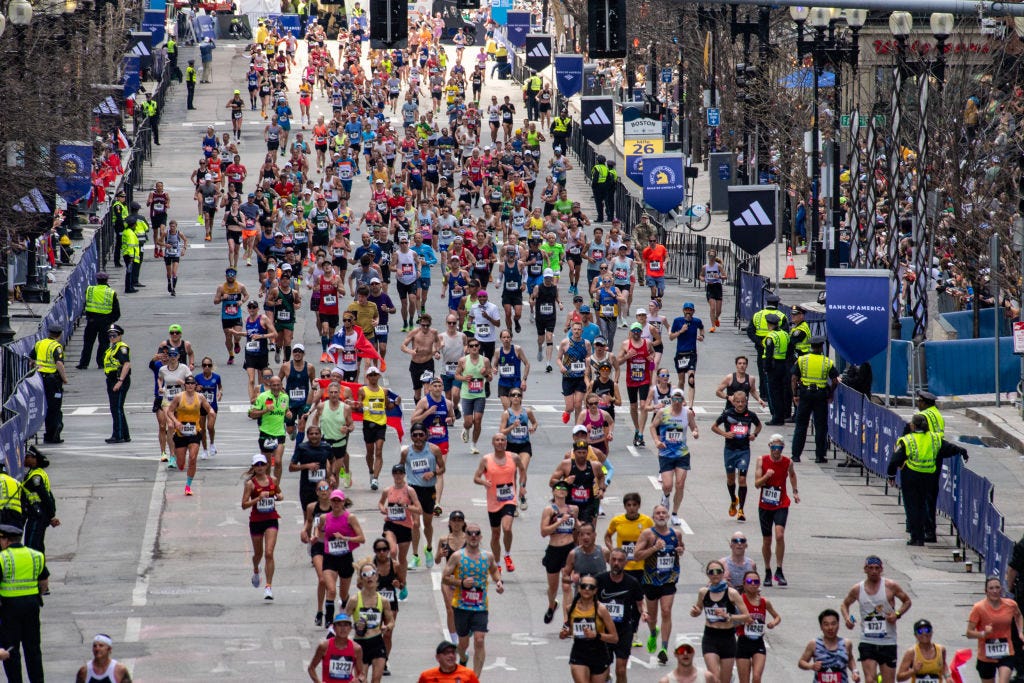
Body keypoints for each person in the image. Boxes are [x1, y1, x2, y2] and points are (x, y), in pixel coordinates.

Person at [887, 414, 967, 546]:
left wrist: (891, 475)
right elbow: (948, 448)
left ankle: (916, 537)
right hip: (928, 477)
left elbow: (896, 458)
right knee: (923, 505)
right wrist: (962, 451)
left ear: (913, 426)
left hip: (911, 476)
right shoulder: (934, 438)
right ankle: (924, 533)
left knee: (912, 507)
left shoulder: (907, 440)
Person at [441, 520, 505, 676]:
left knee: (479, 640)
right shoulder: (457, 556)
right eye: (470, 533)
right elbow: (444, 578)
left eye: (477, 533)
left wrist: (498, 582)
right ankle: (463, 658)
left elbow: (494, 570)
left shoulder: (487, 556)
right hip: (461, 606)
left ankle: (475, 678)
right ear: (466, 537)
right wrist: (461, 583)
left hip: (480, 607)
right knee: (462, 645)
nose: (473, 536)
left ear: (481, 537)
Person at [840, 555, 913, 683]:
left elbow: (907, 601)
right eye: (871, 568)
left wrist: (897, 614)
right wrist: (847, 618)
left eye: (877, 568)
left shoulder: (890, 586)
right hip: (867, 640)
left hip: (888, 641)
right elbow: (844, 604)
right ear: (865, 569)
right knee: (869, 680)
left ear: (881, 570)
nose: (874, 571)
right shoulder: (858, 589)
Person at [635, 504, 686, 665]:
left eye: (664, 513)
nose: (661, 515)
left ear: (668, 516)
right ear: (653, 517)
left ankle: (663, 648)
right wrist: (654, 548)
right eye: (658, 513)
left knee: (666, 611)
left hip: (669, 579)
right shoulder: (648, 534)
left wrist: (680, 550)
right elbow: (637, 556)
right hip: (651, 580)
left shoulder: (675, 533)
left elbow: (681, 547)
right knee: (652, 616)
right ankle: (652, 632)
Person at [0, 523, 47, 683]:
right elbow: (44, 583)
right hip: (32, 606)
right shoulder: (36, 555)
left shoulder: (2, 558)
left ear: (5, 540)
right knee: (33, 648)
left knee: (11, 649)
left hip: (9, 609)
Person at [689, 559, 749, 682]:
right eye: (711, 572)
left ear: (722, 574)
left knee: (724, 680)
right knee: (714, 677)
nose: (715, 574)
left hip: (727, 638)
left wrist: (729, 616)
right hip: (710, 637)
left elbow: (746, 616)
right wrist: (695, 612)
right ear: (707, 574)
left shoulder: (732, 593)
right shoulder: (703, 592)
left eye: (718, 571)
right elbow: (698, 609)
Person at [474, 433, 526, 572]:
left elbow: (522, 470)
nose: (500, 442)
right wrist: (484, 482)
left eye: (503, 440)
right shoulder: (486, 459)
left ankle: (507, 555)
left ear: (506, 443)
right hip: (493, 501)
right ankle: (497, 563)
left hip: (509, 498)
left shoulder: (513, 457)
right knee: (495, 534)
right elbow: (476, 477)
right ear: (493, 443)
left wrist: (522, 487)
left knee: (507, 528)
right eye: (497, 440)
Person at [595, 547, 647, 682]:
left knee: (621, 669)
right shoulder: (600, 580)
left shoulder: (632, 582)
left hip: (623, 630)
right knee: (603, 670)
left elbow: (640, 602)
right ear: (609, 561)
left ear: (625, 563)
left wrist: (644, 612)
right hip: (604, 630)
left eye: (620, 560)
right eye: (613, 559)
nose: (616, 563)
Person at [753, 434, 799, 587]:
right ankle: (767, 570)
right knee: (767, 540)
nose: (776, 450)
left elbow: (792, 475)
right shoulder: (762, 460)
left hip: (781, 503)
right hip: (765, 505)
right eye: (774, 447)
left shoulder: (788, 462)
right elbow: (757, 484)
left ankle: (779, 569)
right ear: (770, 447)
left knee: (779, 535)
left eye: (779, 448)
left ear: (782, 448)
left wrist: (795, 491)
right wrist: (767, 475)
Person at [649, 388, 698, 526]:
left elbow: (694, 427)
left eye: (679, 399)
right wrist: (657, 441)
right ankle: (665, 496)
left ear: (682, 401)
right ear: (671, 399)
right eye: (674, 399)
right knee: (668, 485)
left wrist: (695, 432)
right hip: (666, 454)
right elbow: (652, 427)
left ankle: (675, 513)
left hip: (682, 454)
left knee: (680, 485)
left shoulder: (687, 413)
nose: (676, 402)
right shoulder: (663, 413)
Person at [711, 391, 762, 521]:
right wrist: (724, 434)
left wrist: (754, 435)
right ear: (733, 402)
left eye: (742, 402)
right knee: (731, 479)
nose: (740, 404)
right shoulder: (727, 414)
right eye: (737, 402)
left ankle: (741, 510)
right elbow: (714, 427)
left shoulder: (750, 415)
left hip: (744, 450)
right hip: (730, 450)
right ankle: (734, 499)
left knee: (742, 480)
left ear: (746, 402)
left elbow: (759, 425)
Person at [400, 423, 445, 570]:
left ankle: (429, 549)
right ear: (411, 436)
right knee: (415, 524)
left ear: (426, 435)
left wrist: (433, 473)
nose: (418, 438)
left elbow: (443, 467)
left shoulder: (434, 449)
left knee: (427, 523)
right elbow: (400, 468)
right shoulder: (406, 452)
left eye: (421, 434)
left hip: (428, 490)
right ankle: (415, 556)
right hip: (413, 490)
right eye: (415, 435)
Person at [318, 490, 366, 625]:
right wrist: (317, 537)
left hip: (345, 558)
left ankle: (345, 604)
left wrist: (345, 538)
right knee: (331, 590)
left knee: (343, 594)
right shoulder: (324, 517)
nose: (336, 503)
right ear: (330, 502)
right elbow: (319, 530)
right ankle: (328, 621)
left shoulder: (350, 518)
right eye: (333, 501)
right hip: (329, 558)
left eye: (338, 501)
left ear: (343, 502)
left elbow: (362, 539)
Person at [559, 575, 618, 683]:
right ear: (579, 588)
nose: (586, 589)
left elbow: (614, 638)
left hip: (599, 654)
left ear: (595, 591)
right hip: (579, 653)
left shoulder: (601, 609)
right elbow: (572, 631)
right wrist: (565, 633)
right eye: (583, 586)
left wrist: (596, 635)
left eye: (590, 587)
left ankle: (607, 679)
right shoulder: (570, 608)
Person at [791, 336, 840, 464]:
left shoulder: (802, 360)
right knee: (820, 427)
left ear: (811, 347)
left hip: (805, 395)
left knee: (801, 425)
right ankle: (820, 456)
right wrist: (830, 393)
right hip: (820, 396)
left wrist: (795, 394)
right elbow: (835, 381)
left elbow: (794, 378)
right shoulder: (827, 362)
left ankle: (796, 455)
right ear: (821, 347)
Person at [164, 374, 215, 496]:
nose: (190, 385)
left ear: (196, 385)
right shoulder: (178, 397)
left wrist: (212, 413)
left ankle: (188, 486)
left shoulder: (200, 397)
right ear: (185, 385)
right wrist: (175, 421)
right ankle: (179, 460)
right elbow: (170, 411)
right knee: (181, 465)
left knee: (193, 458)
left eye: (193, 383)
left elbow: (209, 409)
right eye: (188, 383)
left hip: (194, 432)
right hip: (181, 433)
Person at [968, 576, 1023, 683]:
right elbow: (969, 633)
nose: (995, 591)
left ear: (1001, 589)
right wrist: (984, 634)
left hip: (1006, 652)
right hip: (986, 655)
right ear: (986, 591)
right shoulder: (978, 608)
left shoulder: (1010, 605)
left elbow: (1019, 616)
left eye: (997, 588)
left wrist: (1020, 632)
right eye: (991, 588)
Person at [242, 453, 282, 600]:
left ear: (266, 466)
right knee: (258, 554)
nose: (259, 467)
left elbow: (279, 492)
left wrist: (280, 496)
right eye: (257, 465)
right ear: (253, 467)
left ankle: (268, 587)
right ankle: (256, 569)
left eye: (262, 464)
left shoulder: (273, 480)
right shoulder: (250, 484)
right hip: (256, 521)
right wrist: (258, 498)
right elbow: (244, 505)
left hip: (271, 519)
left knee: (269, 553)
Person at [378, 463, 422, 594]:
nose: (398, 476)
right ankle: (389, 580)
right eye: (395, 473)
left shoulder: (409, 490)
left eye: (400, 473)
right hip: (390, 524)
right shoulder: (388, 490)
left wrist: (406, 507)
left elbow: (419, 509)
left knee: (402, 558)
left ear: (404, 475)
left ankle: (403, 583)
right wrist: (382, 509)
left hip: (405, 526)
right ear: (392, 475)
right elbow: (381, 502)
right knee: (392, 551)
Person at [735, 570, 780, 683]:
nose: (753, 584)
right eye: (750, 581)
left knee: (756, 677)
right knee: (744, 680)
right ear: (744, 583)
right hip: (743, 642)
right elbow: (731, 619)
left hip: (758, 643)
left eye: (756, 581)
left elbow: (777, 617)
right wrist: (742, 621)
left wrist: (773, 623)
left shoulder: (764, 602)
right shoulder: (740, 600)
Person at [550, 437, 605, 525]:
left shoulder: (595, 466)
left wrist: (602, 489)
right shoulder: (566, 464)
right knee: (572, 535)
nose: (582, 455)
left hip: (588, 506)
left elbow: (601, 476)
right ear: (574, 453)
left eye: (584, 453)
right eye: (579, 453)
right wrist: (565, 482)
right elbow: (552, 481)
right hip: (569, 505)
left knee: (586, 533)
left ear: (587, 453)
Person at [358, 366, 395, 490]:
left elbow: (388, 406)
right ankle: (370, 471)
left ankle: (375, 478)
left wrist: (396, 403)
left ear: (379, 376)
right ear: (367, 377)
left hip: (381, 424)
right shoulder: (362, 391)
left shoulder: (384, 391)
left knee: (378, 450)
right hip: (368, 423)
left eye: (375, 375)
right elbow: (357, 407)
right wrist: (361, 407)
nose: (373, 377)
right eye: (371, 375)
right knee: (370, 452)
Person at [798, 609, 860, 682]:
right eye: (826, 624)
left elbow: (850, 659)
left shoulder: (846, 643)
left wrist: (855, 672)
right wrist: (811, 666)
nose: (830, 628)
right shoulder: (814, 644)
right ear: (821, 627)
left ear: (838, 624)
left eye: (833, 624)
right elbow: (801, 662)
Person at [31, 324, 68, 444]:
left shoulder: (39, 343)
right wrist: (64, 378)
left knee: (45, 406)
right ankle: (53, 435)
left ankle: (48, 434)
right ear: (60, 334)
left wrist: (35, 367)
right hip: (53, 381)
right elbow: (59, 364)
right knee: (55, 408)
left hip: (40, 379)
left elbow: (31, 359)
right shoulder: (57, 346)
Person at [456, 339, 492, 455]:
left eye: (476, 345)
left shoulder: (485, 360)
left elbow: (490, 378)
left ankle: (473, 444)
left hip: (480, 394)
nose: (474, 347)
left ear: (479, 347)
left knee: (477, 420)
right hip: (467, 394)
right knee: (469, 422)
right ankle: (466, 428)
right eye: (471, 346)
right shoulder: (463, 360)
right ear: (468, 348)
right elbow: (456, 375)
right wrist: (464, 378)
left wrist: (485, 374)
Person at [306, 612, 365, 683]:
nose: (343, 629)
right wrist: (318, 682)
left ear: (350, 628)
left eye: (346, 625)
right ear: (334, 628)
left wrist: (358, 680)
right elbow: (311, 668)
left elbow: (361, 674)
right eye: (339, 625)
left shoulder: (356, 648)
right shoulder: (324, 646)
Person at [78, 272, 120, 370]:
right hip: (105, 322)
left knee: (88, 343)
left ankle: (83, 363)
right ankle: (101, 363)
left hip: (92, 321)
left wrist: (89, 316)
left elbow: (85, 304)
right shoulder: (111, 292)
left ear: (97, 280)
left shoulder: (90, 289)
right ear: (107, 280)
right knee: (104, 343)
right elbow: (117, 312)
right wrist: (110, 320)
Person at [290, 425, 333, 512]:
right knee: (308, 514)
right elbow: (291, 467)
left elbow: (332, 461)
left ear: (320, 435)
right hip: (307, 487)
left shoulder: (327, 447)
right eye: (311, 434)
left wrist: (331, 474)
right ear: (307, 435)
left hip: (323, 488)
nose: (314, 436)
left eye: (316, 433)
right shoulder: (302, 448)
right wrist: (307, 466)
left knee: (324, 514)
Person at [669, 302, 704, 406]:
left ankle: (691, 405)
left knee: (691, 378)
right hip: (680, 353)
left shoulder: (697, 321)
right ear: (683, 310)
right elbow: (671, 337)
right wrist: (681, 331)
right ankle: (680, 400)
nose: (688, 312)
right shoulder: (677, 321)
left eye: (690, 310)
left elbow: (702, 328)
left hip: (691, 353)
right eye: (686, 310)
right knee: (681, 380)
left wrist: (702, 336)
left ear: (693, 311)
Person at [895, 619, 949, 683]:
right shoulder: (911, 652)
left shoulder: (941, 650)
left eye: (927, 630)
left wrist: (948, 677)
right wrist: (913, 671)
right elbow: (899, 678)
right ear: (915, 635)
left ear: (932, 632)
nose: (924, 634)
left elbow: (944, 665)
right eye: (920, 631)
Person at [760, 314, 790, 426]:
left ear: (769, 324)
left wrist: (766, 368)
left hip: (773, 366)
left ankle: (776, 417)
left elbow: (768, 354)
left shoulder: (771, 337)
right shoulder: (785, 334)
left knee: (774, 393)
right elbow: (790, 350)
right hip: (784, 365)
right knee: (782, 392)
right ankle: (782, 415)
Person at [104, 325, 132, 444]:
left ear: (120, 336)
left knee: (117, 408)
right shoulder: (111, 348)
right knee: (116, 408)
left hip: (119, 379)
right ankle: (125, 435)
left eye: (114, 335)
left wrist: (120, 381)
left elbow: (126, 364)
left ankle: (118, 435)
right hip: (111, 379)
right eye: (110, 335)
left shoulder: (121, 347)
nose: (112, 337)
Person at [701, 249, 727, 332]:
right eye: (710, 256)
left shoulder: (718, 266)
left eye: (713, 256)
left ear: (715, 256)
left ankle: (716, 318)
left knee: (718, 310)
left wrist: (719, 277)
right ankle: (713, 326)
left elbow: (725, 276)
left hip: (717, 287)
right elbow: (701, 276)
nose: (711, 257)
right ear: (708, 256)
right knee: (712, 308)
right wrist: (703, 279)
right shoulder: (705, 267)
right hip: (710, 287)